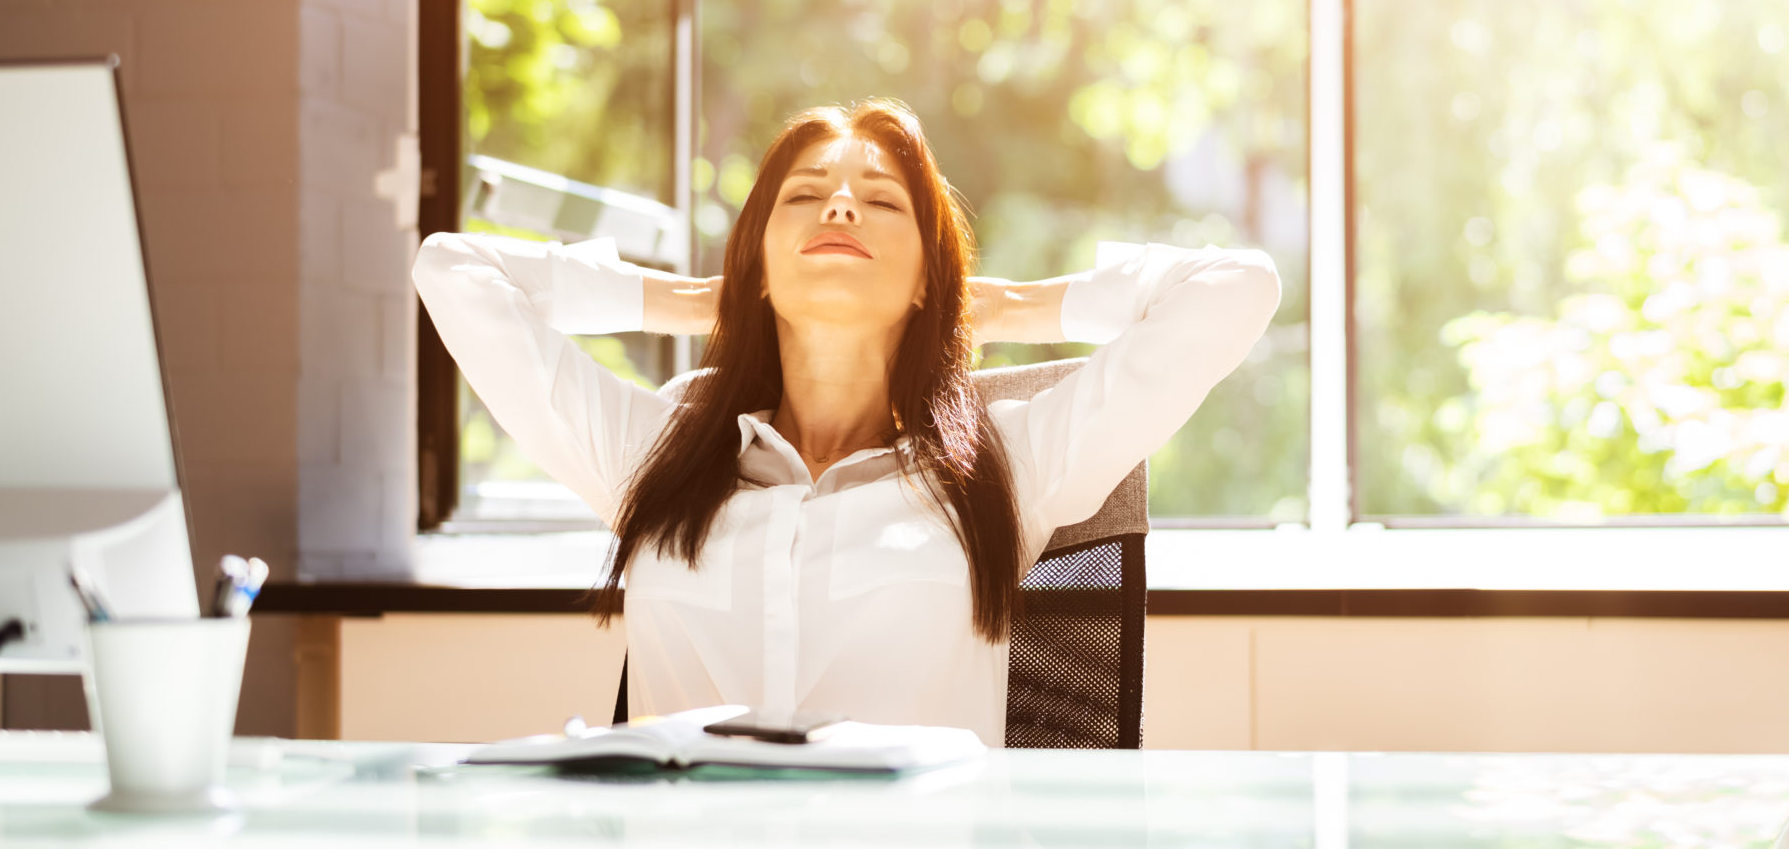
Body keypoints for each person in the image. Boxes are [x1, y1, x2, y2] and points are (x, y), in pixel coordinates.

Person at [411, 99, 1278, 746]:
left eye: (882, 201)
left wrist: (1002, 305)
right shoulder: (655, 453)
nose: (839, 208)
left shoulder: (1007, 464)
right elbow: (453, 269)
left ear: (929, 275)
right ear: (757, 256)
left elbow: (1238, 288)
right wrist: (691, 301)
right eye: (806, 195)